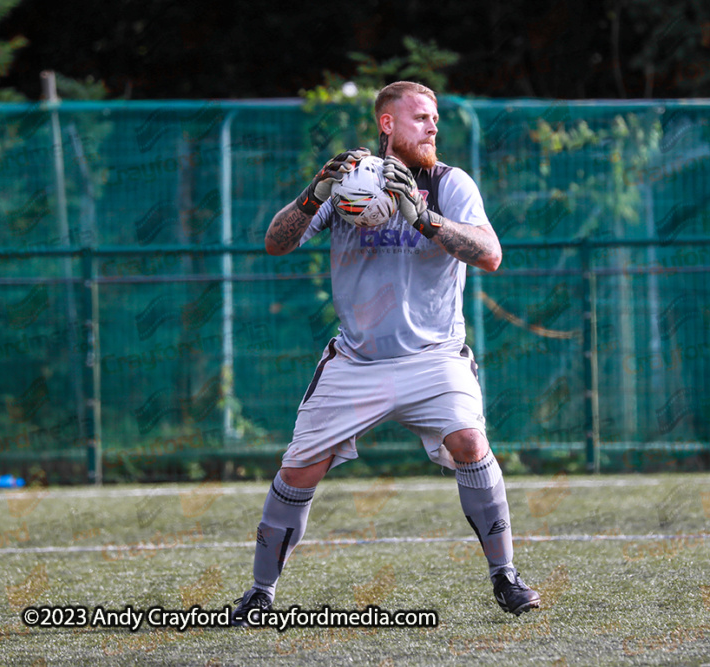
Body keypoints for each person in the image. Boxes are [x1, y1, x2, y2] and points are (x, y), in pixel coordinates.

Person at [231, 80, 540, 623]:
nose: (432, 125)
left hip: (436, 357)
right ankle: (260, 593)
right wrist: (315, 191)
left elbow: (490, 254)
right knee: (300, 468)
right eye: (420, 117)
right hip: (357, 360)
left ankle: (505, 577)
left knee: (469, 441)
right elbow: (276, 242)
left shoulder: (449, 184)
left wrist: (424, 217)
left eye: (435, 118)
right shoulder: (352, 182)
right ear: (387, 124)